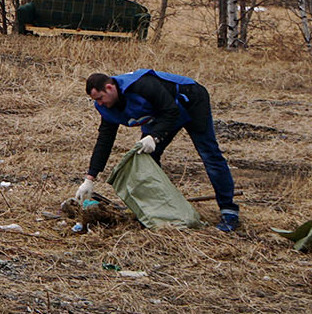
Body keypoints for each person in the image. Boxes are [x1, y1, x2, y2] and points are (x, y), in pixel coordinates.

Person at [76, 69, 240, 231]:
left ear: (110, 88)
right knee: (147, 158)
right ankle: (161, 211)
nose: (100, 103)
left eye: (100, 98)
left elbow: (171, 110)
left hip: (190, 100)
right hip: (161, 113)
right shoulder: (107, 107)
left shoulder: (142, 86)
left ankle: (229, 211)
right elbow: (105, 140)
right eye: (96, 101)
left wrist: (155, 137)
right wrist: (90, 178)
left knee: (209, 154)